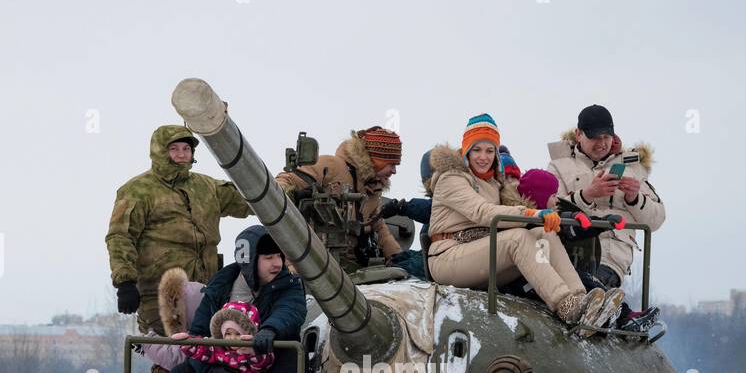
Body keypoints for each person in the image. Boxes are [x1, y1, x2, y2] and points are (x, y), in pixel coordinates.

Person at [108, 225, 305, 373]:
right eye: (269, 257)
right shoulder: (220, 287)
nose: (278, 263)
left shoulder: (289, 284)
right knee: (187, 370)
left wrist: (270, 330)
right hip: (223, 365)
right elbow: (201, 333)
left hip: (263, 367)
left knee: (291, 349)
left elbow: (290, 310)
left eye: (279, 256)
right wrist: (210, 371)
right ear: (249, 260)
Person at [426, 113, 620, 331]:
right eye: (477, 149)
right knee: (518, 238)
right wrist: (532, 214)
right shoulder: (451, 178)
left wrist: (554, 217)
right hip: (449, 257)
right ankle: (565, 305)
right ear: (467, 150)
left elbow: (525, 205)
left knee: (543, 234)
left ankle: (581, 300)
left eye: (490, 150)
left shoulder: (493, 183)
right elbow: (482, 212)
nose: (483, 157)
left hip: (483, 257)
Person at [106, 124, 251, 347]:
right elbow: (120, 237)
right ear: (159, 151)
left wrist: (287, 194)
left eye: (187, 148)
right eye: (174, 149)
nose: (182, 154)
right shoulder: (138, 190)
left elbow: (250, 200)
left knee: (208, 357)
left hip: (206, 292)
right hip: (161, 295)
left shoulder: (207, 187)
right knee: (169, 359)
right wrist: (125, 282)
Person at [546, 104, 665, 297]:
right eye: (595, 137)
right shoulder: (557, 166)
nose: (602, 143)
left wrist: (635, 199)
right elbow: (548, 207)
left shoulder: (633, 168)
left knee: (587, 289)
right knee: (573, 285)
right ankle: (620, 313)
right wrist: (587, 195)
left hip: (611, 256)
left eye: (606, 137)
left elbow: (657, 220)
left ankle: (612, 308)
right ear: (578, 134)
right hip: (568, 251)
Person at [275, 126, 411, 270]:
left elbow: (378, 225)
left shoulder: (373, 187)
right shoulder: (331, 166)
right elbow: (285, 180)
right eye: (391, 164)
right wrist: (290, 195)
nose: (394, 171)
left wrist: (396, 257)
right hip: (312, 261)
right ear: (375, 158)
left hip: (352, 266)